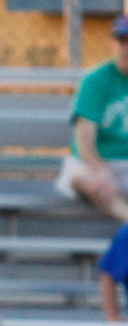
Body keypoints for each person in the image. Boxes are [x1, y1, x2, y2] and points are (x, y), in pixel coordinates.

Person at [55, 14, 128, 221]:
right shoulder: (95, 80)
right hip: (92, 162)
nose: (125, 49)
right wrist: (100, 170)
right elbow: (84, 143)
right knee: (86, 178)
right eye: (121, 41)